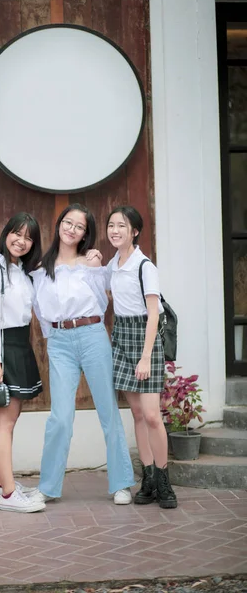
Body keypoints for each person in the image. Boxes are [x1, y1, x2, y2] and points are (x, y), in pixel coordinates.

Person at [28, 203, 135, 505]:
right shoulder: (40, 270)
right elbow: (39, 310)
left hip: (92, 336)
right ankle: (48, 486)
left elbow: (102, 301)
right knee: (60, 417)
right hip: (60, 341)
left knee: (108, 411)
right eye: (68, 222)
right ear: (59, 224)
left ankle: (122, 483)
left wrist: (95, 265)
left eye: (79, 226)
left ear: (85, 234)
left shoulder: (91, 264)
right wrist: (53, 339)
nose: (72, 229)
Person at [106, 205, 177, 509]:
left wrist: (147, 357)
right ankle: (147, 478)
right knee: (136, 414)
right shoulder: (112, 264)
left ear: (134, 231)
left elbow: (152, 314)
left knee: (151, 415)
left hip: (145, 338)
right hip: (121, 336)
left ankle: (164, 479)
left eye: (122, 226)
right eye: (111, 225)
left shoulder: (144, 265)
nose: (115, 230)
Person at [0, 212, 46, 513]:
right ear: (6, 233)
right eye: (17, 233)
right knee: (4, 422)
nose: (22, 240)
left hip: (19, 343)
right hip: (3, 347)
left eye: (28, 237)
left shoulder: (21, 271)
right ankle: (8, 495)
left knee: (10, 420)